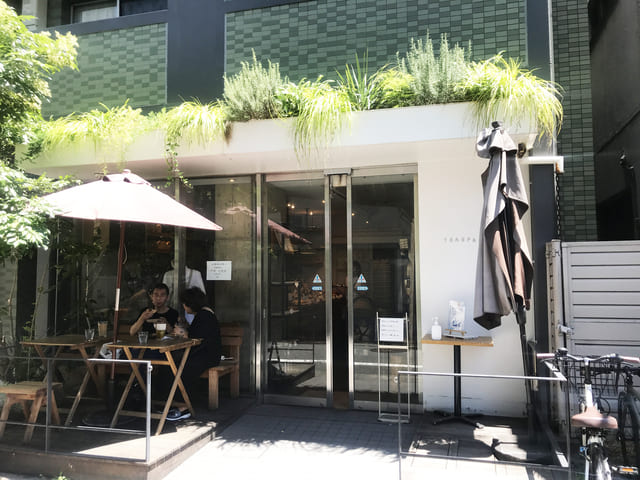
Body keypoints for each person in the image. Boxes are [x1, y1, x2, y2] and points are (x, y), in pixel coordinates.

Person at [178, 287, 222, 390]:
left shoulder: (204, 315)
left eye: (184, 303)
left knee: (176, 367)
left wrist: (182, 333)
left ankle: (180, 397)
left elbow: (196, 338)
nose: (183, 306)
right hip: (208, 355)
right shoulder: (204, 313)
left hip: (205, 357)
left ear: (190, 303)